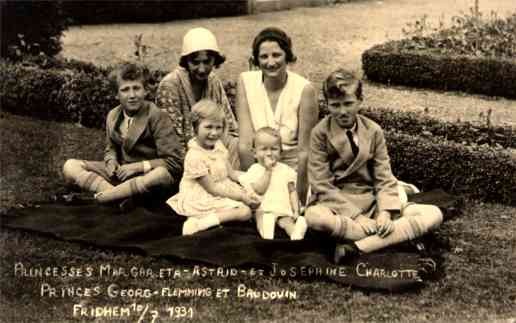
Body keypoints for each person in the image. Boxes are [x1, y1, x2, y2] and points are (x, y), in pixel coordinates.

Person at [304, 68, 443, 263]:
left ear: (360, 101)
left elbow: (384, 177)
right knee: (315, 218)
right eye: (335, 105)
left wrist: (385, 214)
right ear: (326, 104)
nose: (342, 111)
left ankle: (356, 247)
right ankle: (397, 237)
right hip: (338, 204)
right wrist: (357, 217)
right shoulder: (320, 133)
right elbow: (322, 185)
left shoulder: (373, 130)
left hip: (372, 201)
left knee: (434, 213)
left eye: (348, 103)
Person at [62, 63, 182, 209]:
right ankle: (117, 196)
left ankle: (106, 197)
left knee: (161, 174)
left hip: (148, 176)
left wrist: (138, 167)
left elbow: (175, 162)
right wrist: (111, 161)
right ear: (116, 94)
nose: (132, 95)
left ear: (145, 91)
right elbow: (111, 148)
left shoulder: (156, 115)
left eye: (136, 88)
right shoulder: (113, 115)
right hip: (122, 175)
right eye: (125, 90)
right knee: (70, 166)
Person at [236, 27, 318, 204]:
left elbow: (305, 152)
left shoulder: (304, 89)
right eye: (264, 57)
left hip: (291, 171)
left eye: (276, 55)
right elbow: (244, 146)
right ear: (256, 60)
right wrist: (253, 190)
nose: (270, 63)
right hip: (256, 168)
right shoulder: (245, 82)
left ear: (287, 56)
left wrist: (301, 196)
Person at [167, 100, 260, 236]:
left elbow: (232, 173)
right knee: (245, 212)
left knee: (255, 201)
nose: (214, 133)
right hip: (203, 195)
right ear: (195, 127)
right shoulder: (194, 156)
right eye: (208, 127)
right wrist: (241, 196)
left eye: (218, 127)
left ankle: (203, 219)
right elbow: (212, 189)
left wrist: (250, 183)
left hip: (223, 188)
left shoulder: (218, 147)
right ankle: (202, 223)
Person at [156, 27, 239, 168]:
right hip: (184, 160)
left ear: (215, 61)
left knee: (238, 145)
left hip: (214, 151)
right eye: (195, 62)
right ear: (186, 61)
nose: (201, 69)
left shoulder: (213, 81)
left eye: (207, 62)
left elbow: (229, 125)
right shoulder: (170, 85)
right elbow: (172, 141)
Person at [239, 127, 307, 240]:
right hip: (263, 208)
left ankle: (296, 233)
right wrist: (268, 171)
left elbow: (292, 191)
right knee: (260, 218)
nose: (269, 153)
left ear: (281, 152)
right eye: (264, 149)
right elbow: (259, 190)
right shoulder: (255, 169)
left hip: (282, 207)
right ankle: (267, 232)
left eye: (274, 149)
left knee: (287, 222)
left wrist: (296, 210)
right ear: (254, 153)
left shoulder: (286, 170)